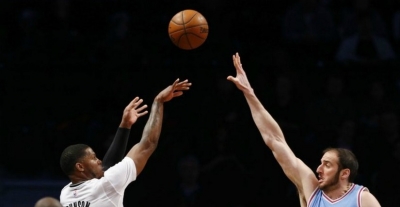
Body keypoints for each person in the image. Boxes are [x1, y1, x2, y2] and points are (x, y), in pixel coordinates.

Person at [227, 52, 381, 207]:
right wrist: (249, 92)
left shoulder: (363, 199)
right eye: (321, 163)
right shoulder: (311, 188)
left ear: (344, 173)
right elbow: (275, 139)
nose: (318, 169)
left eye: (327, 165)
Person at [59, 79, 191, 207]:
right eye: (93, 158)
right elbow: (147, 144)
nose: (99, 160)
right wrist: (158, 102)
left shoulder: (65, 195)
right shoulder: (107, 185)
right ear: (80, 167)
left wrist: (125, 125)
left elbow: (106, 169)